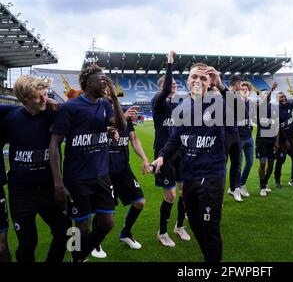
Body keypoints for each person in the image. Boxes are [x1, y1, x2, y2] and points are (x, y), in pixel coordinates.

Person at [49, 64, 127, 262]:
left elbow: (121, 125)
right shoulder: (69, 107)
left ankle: (77, 256)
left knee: (107, 223)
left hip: (102, 176)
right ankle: (77, 257)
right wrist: (59, 184)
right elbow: (54, 145)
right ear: (88, 82)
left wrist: (115, 99)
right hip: (77, 179)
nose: (105, 83)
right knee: (81, 226)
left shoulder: (105, 104)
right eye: (102, 79)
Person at [152, 63, 228, 262]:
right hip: (189, 175)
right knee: (195, 224)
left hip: (211, 176)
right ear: (188, 81)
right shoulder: (182, 107)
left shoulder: (218, 103)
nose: (198, 81)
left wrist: (221, 85)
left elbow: (243, 114)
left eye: (204, 78)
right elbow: (175, 138)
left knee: (210, 228)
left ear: (210, 82)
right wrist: (162, 155)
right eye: (195, 77)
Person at [0, 76, 71, 262]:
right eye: (38, 97)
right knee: (27, 244)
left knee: (68, 233)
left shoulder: (54, 113)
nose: (44, 100)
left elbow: (79, 116)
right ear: (24, 99)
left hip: (51, 189)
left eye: (46, 95)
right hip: (21, 192)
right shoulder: (9, 117)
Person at [90, 104, 151, 258]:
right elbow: (92, 137)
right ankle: (95, 242)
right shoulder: (99, 117)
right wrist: (114, 125)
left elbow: (134, 139)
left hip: (124, 169)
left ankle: (126, 233)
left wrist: (144, 159)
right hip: (105, 171)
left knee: (140, 202)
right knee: (104, 211)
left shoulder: (125, 116)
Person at [150, 51, 190, 248]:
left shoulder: (179, 106)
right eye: (169, 83)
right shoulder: (157, 103)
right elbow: (166, 90)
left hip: (180, 153)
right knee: (171, 195)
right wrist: (170, 63)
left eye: (175, 83)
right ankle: (162, 232)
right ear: (161, 88)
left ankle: (179, 226)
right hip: (162, 155)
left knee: (184, 192)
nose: (173, 85)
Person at [255, 84, 278, 196]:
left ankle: (266, 182)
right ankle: (262, 186)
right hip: (261, 139)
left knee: (271, 163)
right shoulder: (259, 106)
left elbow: (277, 124)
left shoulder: (274, 107)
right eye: (264, 93)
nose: (266, 94)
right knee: (263, 163)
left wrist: (277, 141)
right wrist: (271, 90)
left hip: (272, 139)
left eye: (267, 93)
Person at [226, 74, 244, 202]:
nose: (242, 87)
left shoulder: (238, 97)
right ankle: (218, 196)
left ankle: (234, 188)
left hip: (235, 134)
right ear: (236, 84)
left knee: (236, 164)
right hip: (223, 135)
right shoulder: (223, 93)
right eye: (241, 85)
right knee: (221, 165)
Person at [237, 82, 254, 197]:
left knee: (250, 163)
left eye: (246, 88)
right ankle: (236, 187)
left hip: (249, 137)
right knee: (238, 164)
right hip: (238, 139)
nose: (244, 90)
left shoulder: (252, 104)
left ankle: (242, 184)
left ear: (249, 90)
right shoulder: (236, 103)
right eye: (242, 89)